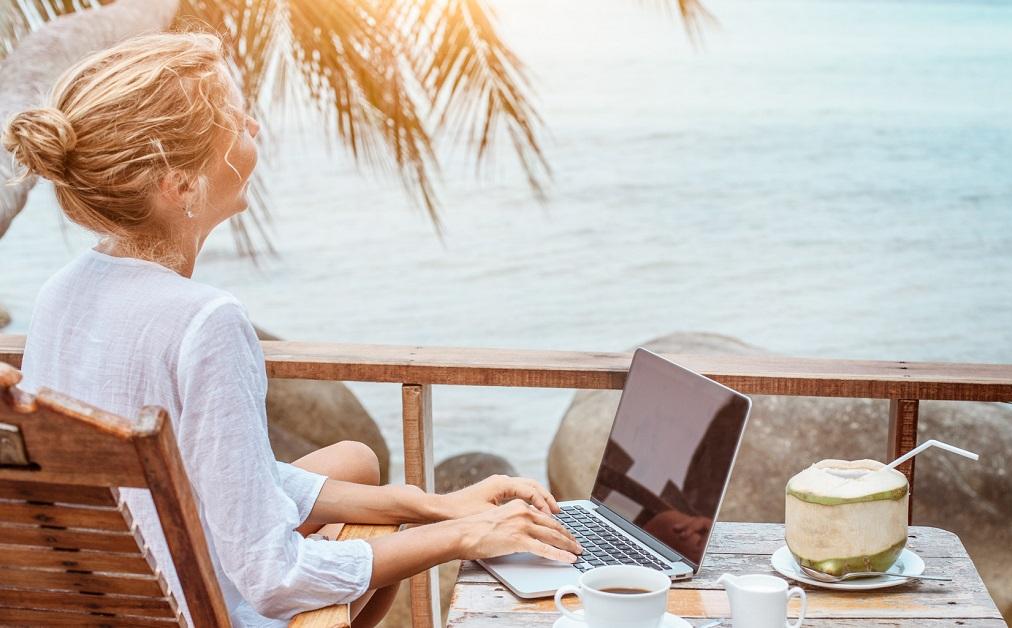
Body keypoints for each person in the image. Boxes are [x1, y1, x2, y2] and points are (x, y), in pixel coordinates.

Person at [2, 32, 580, 628]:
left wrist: (426, 505)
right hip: (203, 610)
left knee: (355, 459)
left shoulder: (62, 292)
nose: (252, 126)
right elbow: (274, 579)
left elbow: (211, 473)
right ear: (180, 184)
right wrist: (465, 535)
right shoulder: (205, 322)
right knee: (367, 534)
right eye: (233, 117)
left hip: (109, 595)